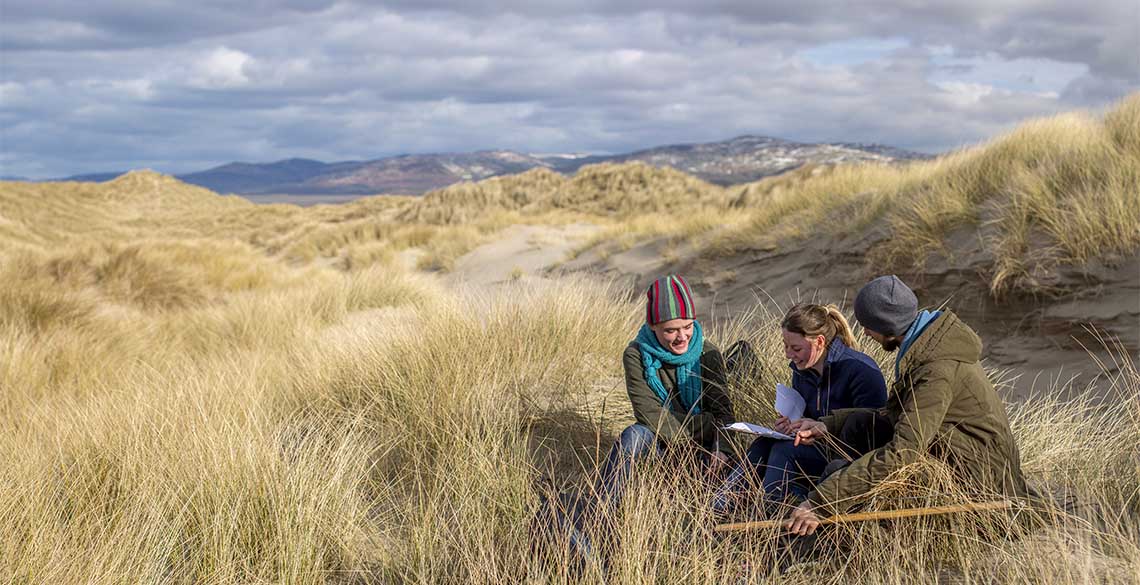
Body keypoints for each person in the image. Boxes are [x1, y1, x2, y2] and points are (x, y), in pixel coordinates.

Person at [786, 275, 1030, 536]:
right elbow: (897, 416)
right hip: (947, 452)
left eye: (869, 326)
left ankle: (831, 537)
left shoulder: (936, 369)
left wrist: (823, 502)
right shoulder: (924, 347)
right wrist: (827, 425)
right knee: (858, 425)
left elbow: (903, 452)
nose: (865, 333)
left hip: (978, 479)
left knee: (838, 474)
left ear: (887, 325)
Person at [712, 303, 888, 517]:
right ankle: (719, 509)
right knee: (764, 443)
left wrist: (821, 431)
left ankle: (771, 516)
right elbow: (806, 415)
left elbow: (874, 429)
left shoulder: (860, 370)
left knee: (784, 451)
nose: (788, 355)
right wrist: (791, 425)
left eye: (795, 348)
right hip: (815, 445)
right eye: (785, 346)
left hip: (850, 457)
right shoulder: (803, 369)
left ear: (820, 342)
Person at [595, 274, 735, 513]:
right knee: (635, 435)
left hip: (705, 452)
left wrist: (723, 448)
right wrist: (706, 423)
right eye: (671, 330)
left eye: (688, 327)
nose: (682, 337)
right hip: (660, 448)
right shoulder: (636, 356)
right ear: (653, 326)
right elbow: (649, 415)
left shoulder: (708, 353)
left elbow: (724, 415)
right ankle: (600, 514)